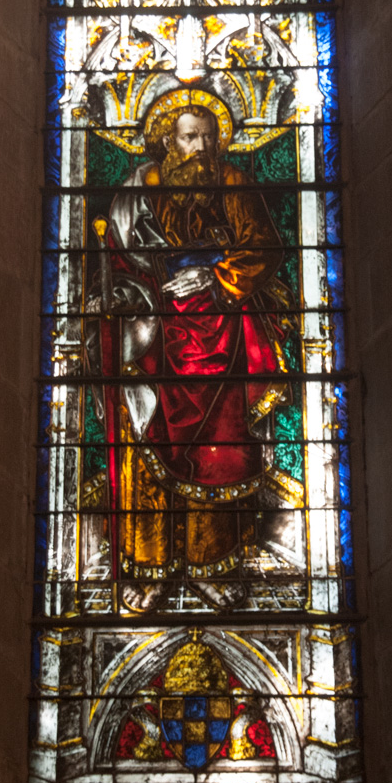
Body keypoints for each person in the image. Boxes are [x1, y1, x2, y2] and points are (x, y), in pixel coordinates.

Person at [87, 90, 289, 613]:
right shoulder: (138, 191)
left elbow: (264, 247)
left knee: (218, 449)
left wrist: (215, 277)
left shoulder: (233, 183)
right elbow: (119, 260)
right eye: (189, 137)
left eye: (207, 137)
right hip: (154, 330)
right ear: (166, 142)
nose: (200, 147)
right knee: (146, 436)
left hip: (220, 328)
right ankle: (147, 565)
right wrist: (119, 295)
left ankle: (211, 565)